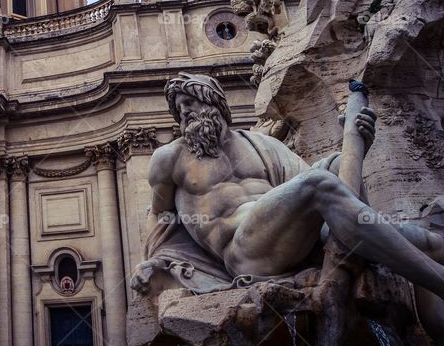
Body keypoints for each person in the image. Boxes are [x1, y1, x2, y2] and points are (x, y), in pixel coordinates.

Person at [132, 72, 444, 299]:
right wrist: (155, 263)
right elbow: (160, 217)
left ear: (213, 102)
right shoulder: (170, 157)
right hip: (243, 253)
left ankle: (355, 254)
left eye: (189, 101)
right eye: (179, 108)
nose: (183, 111)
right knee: (319, 182)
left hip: (289, 239)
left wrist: (357, 145)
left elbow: (316, 187)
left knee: (338, 166)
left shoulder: (260, 144)